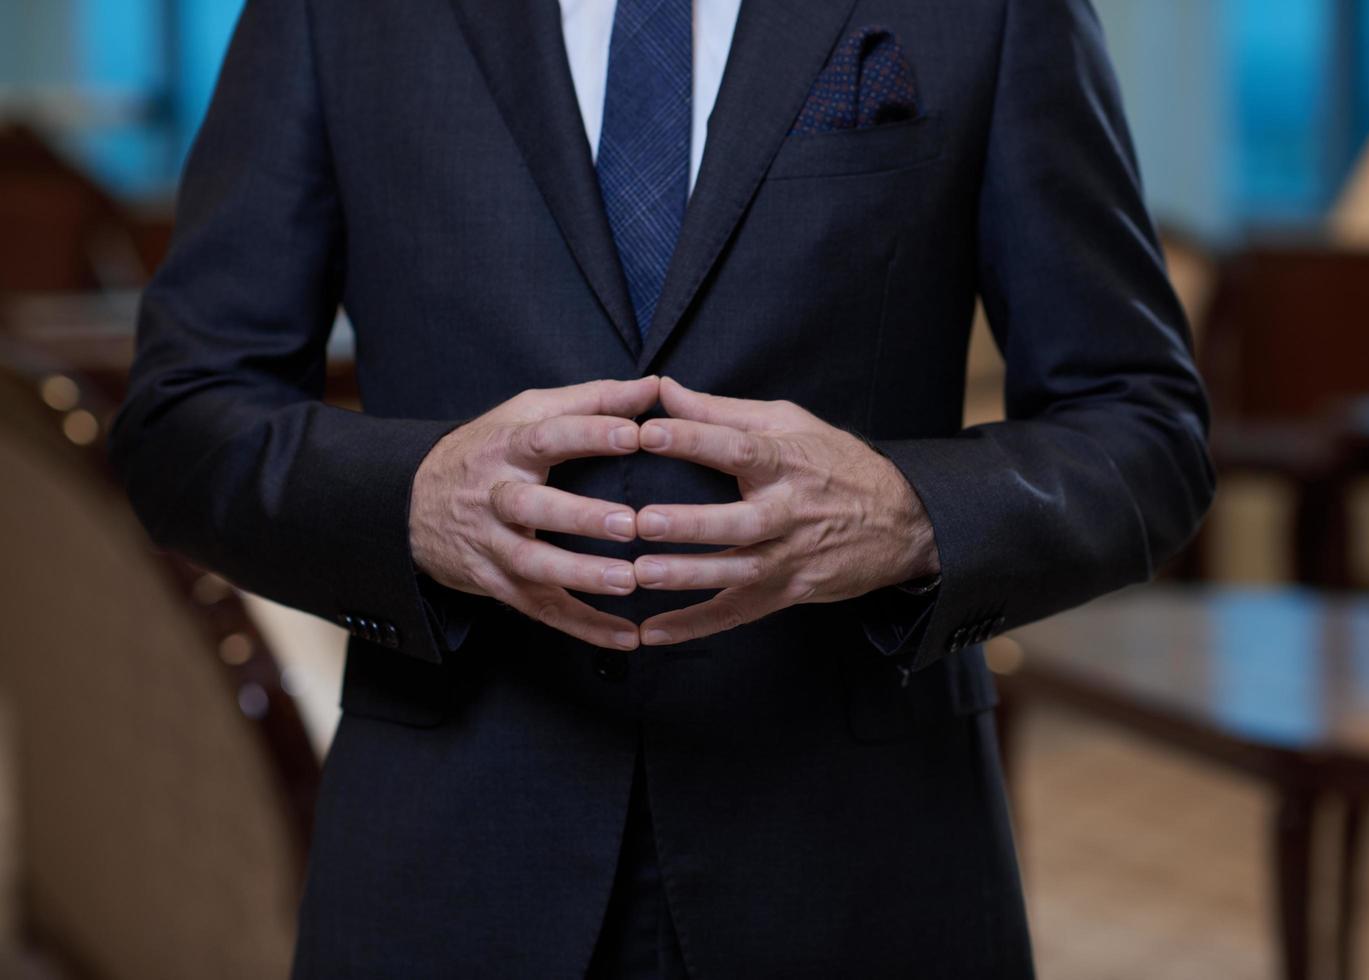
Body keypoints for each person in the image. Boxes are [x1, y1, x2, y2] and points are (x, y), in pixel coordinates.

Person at [109, 0, 1214, 975]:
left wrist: (912, 516)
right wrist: (410, 502)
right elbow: (180, 419)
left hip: (858, 860)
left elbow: (1145, 428)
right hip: (450, 854)